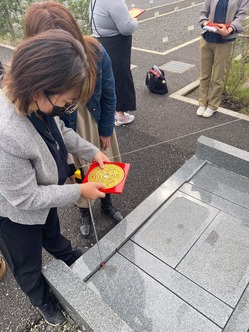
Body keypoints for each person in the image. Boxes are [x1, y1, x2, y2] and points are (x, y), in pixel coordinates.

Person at [0, 29, 110, 326]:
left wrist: (93, 152)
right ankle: (43, 301)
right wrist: (78, 192)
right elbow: (24, 198)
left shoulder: (38, 103)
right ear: (39, 90)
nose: (68, 108)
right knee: (27, 266)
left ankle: (68, 256)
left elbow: (61, 132)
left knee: (52, 232)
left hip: (46, 197)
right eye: (68, 102)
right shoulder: (7, 133)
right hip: (14, 215)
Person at [24, 1, 124, 238]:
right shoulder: (32, 76)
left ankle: (106, 201)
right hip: (66, 128)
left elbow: (109, 94)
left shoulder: (97, 53)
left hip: (94, 120)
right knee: (77, 171)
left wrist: (106, 128)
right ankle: (84, 210)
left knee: (104, 163)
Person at [196, 0, 249, 118]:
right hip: (207, 38)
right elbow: (204, 12)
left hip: (224, 41)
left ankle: (212, 105)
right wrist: (205, 22)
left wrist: (229, 30)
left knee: (218, 77)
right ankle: (202, 102)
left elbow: (241, 16)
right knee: (204, 75)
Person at [90, 0, 138, 126]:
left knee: (106, 77)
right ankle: (121, 115)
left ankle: (109, 112)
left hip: (101, 40)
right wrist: (134, 20)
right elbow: (126, 28)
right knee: (120, 76)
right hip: (116, 43)